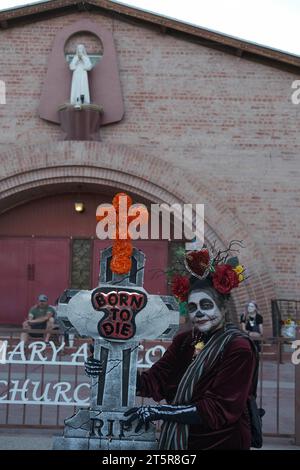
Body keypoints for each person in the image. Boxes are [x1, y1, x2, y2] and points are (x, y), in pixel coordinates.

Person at [85, 246, 258, 450]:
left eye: (206, 305)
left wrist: (160, 412)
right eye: (193, 308)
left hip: (221, 442)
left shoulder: (238, 347)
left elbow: (218, 409)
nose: (199, 313)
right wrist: (108, 370)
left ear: (222, 308)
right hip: (179, 442)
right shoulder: (185, 341)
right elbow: (154, 382)